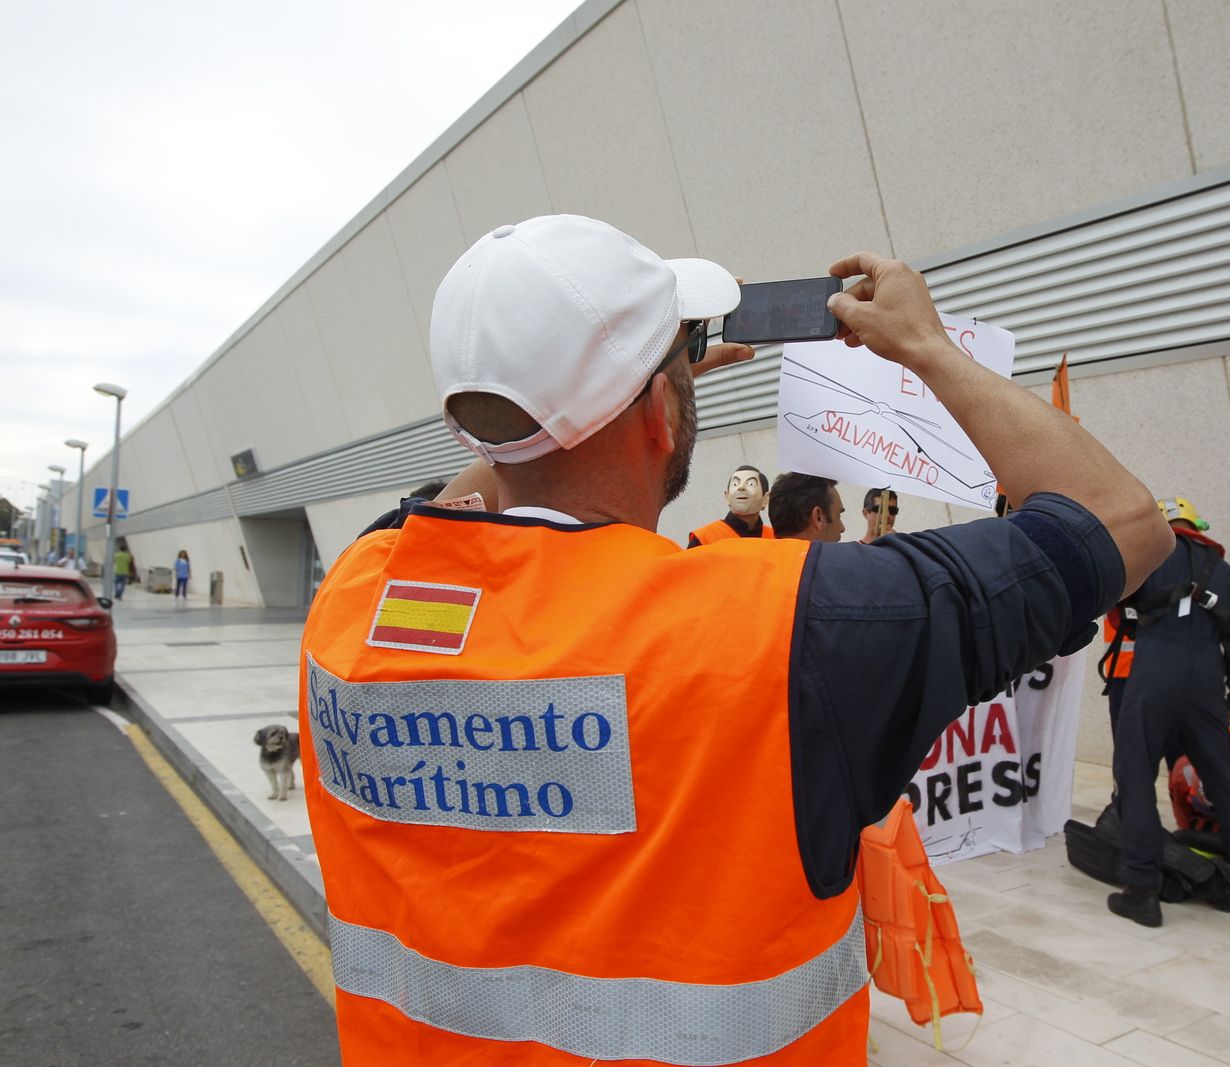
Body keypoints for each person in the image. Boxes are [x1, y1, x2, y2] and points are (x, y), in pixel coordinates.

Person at [298, 215, 1170, 1065]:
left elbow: (462, 502)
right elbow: (1126, 522)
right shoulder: (795, 622)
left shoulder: (354, 595)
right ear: (660, 416)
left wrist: (632, 398)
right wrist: (929, 349)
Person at [1107, 496, 1230, 928]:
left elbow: (1116, 611)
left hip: (1153, 672)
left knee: (1135, 778)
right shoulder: (1223, 572)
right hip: (1207, 679)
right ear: (1197, 526)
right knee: (1222, 779)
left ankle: (1143, 891)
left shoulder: (1148, 558)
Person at [686, 465, 772, 546]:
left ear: (765, 499)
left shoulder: (776, 538)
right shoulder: (704, 538)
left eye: (750, 484)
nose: (741, 487)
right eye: (735, 484)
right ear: (727, 497)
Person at [768, 472, 846, 542]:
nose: (842, 528)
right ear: (818, 517)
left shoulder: (758, 554)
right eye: (838, 515)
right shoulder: (841, 557)